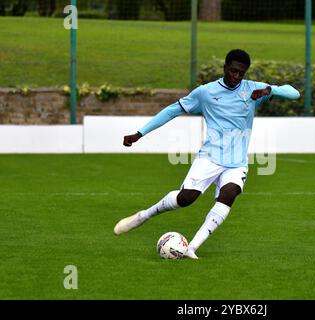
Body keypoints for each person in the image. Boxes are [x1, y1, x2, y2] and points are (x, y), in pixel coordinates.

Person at [113, 49, 300, 259]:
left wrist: (268, 90)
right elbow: (172, 110)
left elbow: (294, 93)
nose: (236, 76)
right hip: (209, 157)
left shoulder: (252, 89)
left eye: (241, 73)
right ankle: (143, 216)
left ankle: (191, 248)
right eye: (232, 71)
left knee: (229, 194)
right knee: (186, 199)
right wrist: (140, 133)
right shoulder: (205, 92)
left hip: (236, 163)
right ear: (224, 68)